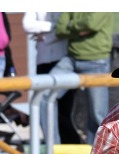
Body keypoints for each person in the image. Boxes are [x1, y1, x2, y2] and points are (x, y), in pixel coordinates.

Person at [50, 13, 113, 145]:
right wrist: (80, 30)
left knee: (97, 114)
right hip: (71, 59)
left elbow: (92, 24)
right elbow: (60, 30)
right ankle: (52, 149)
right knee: (45, 94)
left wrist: (71, 26)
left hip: (97, 61)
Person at [22, 12, 79, 144]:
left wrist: (44, 34)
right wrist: (53, 27)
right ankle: (52, 147)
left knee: (64, 111)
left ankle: (70, 146)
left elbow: (65, 29)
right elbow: (27, 25)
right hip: (43, 61)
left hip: (62, 59)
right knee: (43, 103)